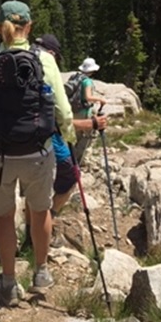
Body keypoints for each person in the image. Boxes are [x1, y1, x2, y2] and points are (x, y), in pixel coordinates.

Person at [0, 2, 76, 306]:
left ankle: (10, 281)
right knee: (40, 211)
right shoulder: (44, 60)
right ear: (29, 26)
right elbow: (63, 109)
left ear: (0, 28)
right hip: (38, 151)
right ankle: (41, 271)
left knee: (4, 216)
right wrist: (69, 134)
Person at [20, 37, 107, 250]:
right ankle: (46, 223)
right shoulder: (49, 69)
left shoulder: (12, 66)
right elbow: (61, 120)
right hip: (50, 138)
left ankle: (30, 236)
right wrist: (91, 123)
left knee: (30, 188)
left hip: (17, 140)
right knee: (72, 177)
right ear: (52, 54)